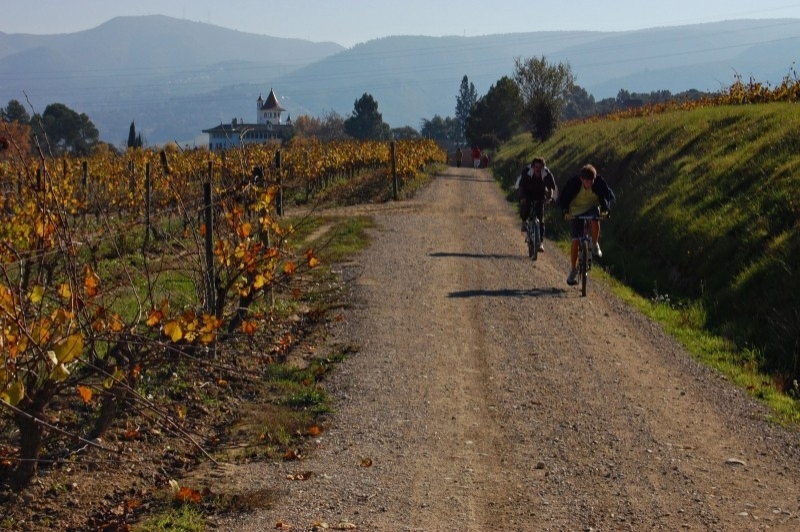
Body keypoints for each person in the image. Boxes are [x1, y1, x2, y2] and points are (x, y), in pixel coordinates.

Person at [557, 164, 615, 286]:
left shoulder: (599, 183)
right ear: (581, 179)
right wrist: (565, 212)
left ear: (594, 178)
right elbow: (564, 197)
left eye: (591, 180)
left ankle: (594, 244)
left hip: (591, 207)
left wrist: (605, 210)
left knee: (595, 218)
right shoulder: (574, 183)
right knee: (575, 241)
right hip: (575, 211)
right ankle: (573, 270)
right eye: (586, 181)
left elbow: (606, 196)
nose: (589, 183)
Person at [517, 156, 557, 252]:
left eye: (540, 167)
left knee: (540, 219)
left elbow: (551, 188)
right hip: (527, 192)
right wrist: (522, 197)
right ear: (532, 167)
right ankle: (524, 221)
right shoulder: (527, 172)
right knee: (525, 208)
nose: (537, 169)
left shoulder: (546, 174)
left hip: (540, 194)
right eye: (536, 166)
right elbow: (521, 186)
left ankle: (540, 243)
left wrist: (550, 198)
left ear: (543, 168)